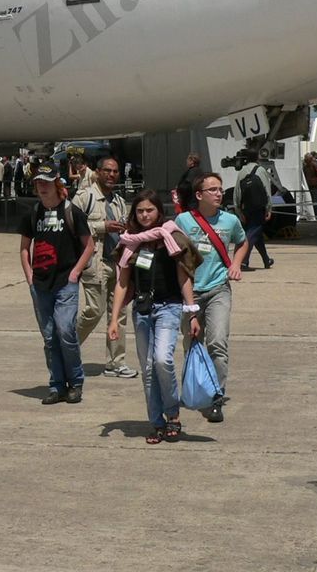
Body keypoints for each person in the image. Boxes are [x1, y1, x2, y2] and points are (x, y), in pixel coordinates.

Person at [109, 190, 200, 443]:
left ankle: (173, 415)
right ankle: (157, 422)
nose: (145, 215)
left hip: (168, 307)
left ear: (159, 211)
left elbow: (184, 277)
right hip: (142, 310)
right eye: (140, 211)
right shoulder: (130, 242)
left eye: (149, 210)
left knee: (163, 360)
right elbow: (122, 283)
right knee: (148, 369)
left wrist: (192, 313)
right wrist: (114, 319)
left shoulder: (172, 238)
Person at [174, 172, 247, 423]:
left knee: (217, 343)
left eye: (220, 189)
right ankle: (195, 387)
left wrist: (236, 263)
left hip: (218, 289)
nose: (219, 194)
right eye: (213, 190)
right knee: (192, 342)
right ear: (199, 195)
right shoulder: (183, 220)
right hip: (190, 293)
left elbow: (243, 242)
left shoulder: (230, 220)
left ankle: (216, 396)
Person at [19, 161, 94, 405]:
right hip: (40, 284)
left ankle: (76, 381)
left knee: (65, 331)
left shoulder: (71, 211)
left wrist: (75, 273)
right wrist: (29, 277)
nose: (42, 187)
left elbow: (89, 246)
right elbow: (23, 248)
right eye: (38, 182)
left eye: (46, 182)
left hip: (65, 282)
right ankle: (57, 384)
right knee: (50, 336)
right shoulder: (33, 213)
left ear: (56, 183)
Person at [71, 155, 135, 378]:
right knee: (93, 311)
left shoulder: (118, 201)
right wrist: (102, 226)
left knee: (118, 314)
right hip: (94, 263)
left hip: (116, 263)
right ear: (97, 172)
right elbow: (72, 226)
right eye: (107, 171)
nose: (111, 175)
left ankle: (116, 362)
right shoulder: (84, 198)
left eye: (115, 171)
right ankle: (67, 348)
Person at [234, 150, 273, 269]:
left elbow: (237, 192)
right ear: (257, 158)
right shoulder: (261, 170)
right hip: (258, 207)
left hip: (246, 207)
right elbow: (267, 190)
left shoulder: (241, 172)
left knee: (257, 234)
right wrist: (269, 208)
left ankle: (266, 259)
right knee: (252, 233)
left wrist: (238, 209)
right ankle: (243, 261)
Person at [302, 153, 317, 220]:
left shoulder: (314, 165)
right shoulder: (307, 166)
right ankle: (316, 214)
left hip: (314, 185)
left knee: (316, 200)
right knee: (313, 200)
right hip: (310, 185)